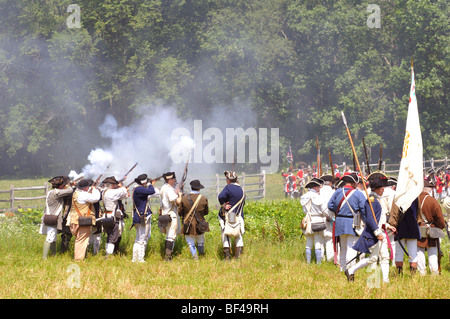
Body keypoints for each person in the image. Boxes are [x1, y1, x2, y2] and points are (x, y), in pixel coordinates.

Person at [344, 172, 395, 283]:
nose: (383, 190)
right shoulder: (371, 200)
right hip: (374, 234)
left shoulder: (376, 200)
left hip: (380, 231)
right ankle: (351, 270)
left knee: (385, 256)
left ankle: (386, 280)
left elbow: (378, 219)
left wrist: (388, 226)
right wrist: (378, 233)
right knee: (373, 258)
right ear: (376, 188)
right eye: (381, 188)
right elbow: (370, 219)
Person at [328, 173, 365, 271]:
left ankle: (343, 269)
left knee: (343, 248)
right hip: (353, 222)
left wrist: (339, 210)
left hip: (340, 222)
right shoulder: (358, 193)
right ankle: (349, 270)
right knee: (351, 247)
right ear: (354, 183)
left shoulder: (338, 191)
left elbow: (330, 205)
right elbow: (364, 209)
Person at [39, 176, 74, 259]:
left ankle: (53, 255)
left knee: (53, 238)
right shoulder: (57, 192)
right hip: (53, 218)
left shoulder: (51, 192)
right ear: (61, 186)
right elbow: (70, 190)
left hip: (49, 216)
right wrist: (68, 185)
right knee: (50, 238)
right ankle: (44, 258)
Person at [416, 179, 446, 275]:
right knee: (432, 251)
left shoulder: (414, 200)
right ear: (428, 189)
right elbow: (440, 218)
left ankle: (422, 273)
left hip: (417, 229)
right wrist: (441, 226)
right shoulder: (432, 201)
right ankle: (434, 273)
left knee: (419, 251)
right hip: (431, 229)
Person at [387, 195, 421, 276]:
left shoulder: (398, 195)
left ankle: (399, 275)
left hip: (401, 227)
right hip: (413, 226)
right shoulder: (416, 195)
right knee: (413, 253)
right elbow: (419, 212)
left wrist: (393, 225)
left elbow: (394, 213)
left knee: (399, 253)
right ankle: (413, 276)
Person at [300, 177, 331, 264]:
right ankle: (318, 264)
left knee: (309, 243)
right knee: (318, 243)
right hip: (318, 221)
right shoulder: (318, 197)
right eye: (318, 187)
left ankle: (308, 263)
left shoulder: (304, 197)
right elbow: (325, 211)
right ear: (314, 187)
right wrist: (329, 217)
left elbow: (305, 211)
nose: (319, 189)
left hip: (308, 221)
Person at [69, 178, 101, 261]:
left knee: (79, 240)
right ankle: (78, 259)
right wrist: (94, 188)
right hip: (82, 220)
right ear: (86, 187)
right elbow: (96, 198)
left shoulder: (76, 193)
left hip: (74, 220)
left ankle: (79, 257)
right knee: (81, 240)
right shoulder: (83, 195)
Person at [179, 180, 210, 260]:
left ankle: (195, 257)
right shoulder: (203, 198)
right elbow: (206, 212)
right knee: (200, 241)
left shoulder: (184, 198)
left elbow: (180, 212)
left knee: (190, 243)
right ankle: (201, 256)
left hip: (188, 224)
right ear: (199, 189)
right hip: (200, 223)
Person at [218, 171, 245, 260]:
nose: (226, 180)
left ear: (229, 180)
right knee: (238, 235)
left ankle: (227, 257)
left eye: (227, 179)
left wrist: (223, 204)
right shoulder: (241, 189)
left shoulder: (228, 188)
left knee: (225, 234)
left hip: (228, 215)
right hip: (239, 215)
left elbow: (221, 197)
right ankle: (238, 257)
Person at [130, 174, 158, 263]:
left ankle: (135, 259)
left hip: (141, 215)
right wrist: (150, 184)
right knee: (142, 238)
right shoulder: (139, 189)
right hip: (142, 216)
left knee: (139, 238)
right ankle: (140, 259)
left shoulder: (138, 188)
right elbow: (152, 191)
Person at [101, 176, 129, 258]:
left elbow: (124, 196)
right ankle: (108, 256)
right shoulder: (111, 192)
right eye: (114, 184)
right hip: (112, 216)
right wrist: (121, 186)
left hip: (107, 215)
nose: (115, 186)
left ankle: (108, 253)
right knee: (113, 236)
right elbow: (123, 192)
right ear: (111, 185)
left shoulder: (105, 191)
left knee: (110, 236)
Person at [159, 172, 182, 261]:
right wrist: (179, 194)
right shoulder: (168, 189)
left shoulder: (164, 188)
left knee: (169, 235)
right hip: (171, 214)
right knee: (171, 236)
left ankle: (168, 255)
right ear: (170, 180)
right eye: (173, 179)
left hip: (165, 213)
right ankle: (168, 257)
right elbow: (177, 201)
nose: (174, 180)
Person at [319, 174, 335, 262]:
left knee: (321, 238)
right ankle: (330, 258)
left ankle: (321, 258)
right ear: (331, 182)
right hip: (330, 216)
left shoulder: (318, 192)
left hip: (319, 217)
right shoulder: (333, 192)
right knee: (329, 238)